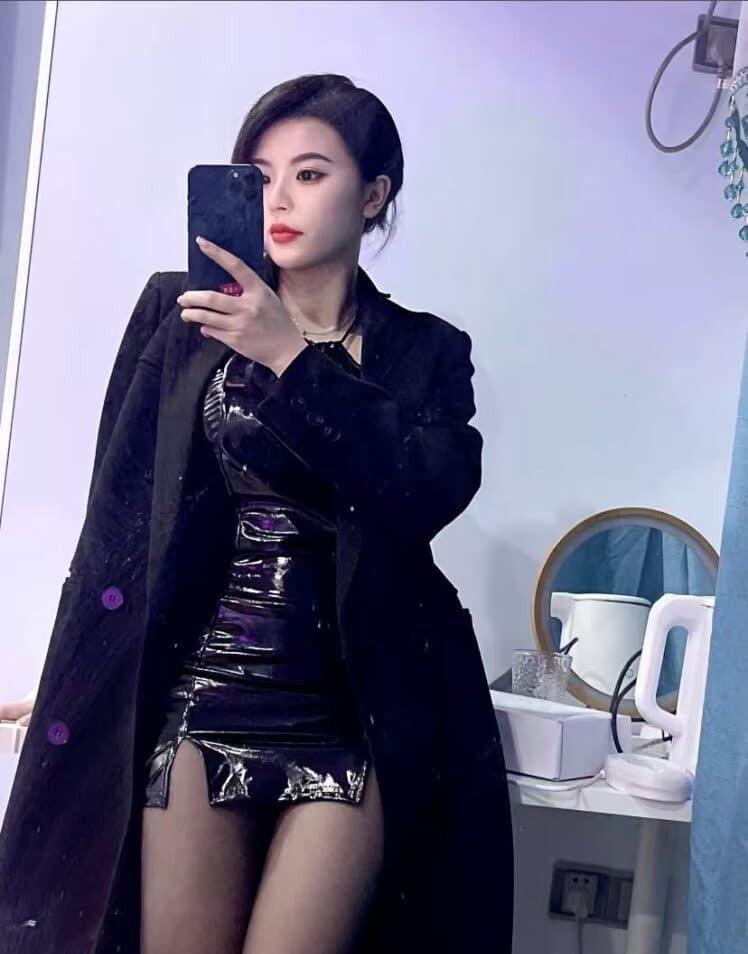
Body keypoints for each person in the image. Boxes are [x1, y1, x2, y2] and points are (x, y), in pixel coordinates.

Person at [0, 74, 514, 954]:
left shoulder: (425, 351)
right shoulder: (183, 315)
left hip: (353, 714)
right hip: (206, 694)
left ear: (374, 195)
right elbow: (121, 527)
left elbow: (424, 492)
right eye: (259, 175)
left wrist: (291, 357)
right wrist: (77, 682)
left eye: (310, 174)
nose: (279, 198)